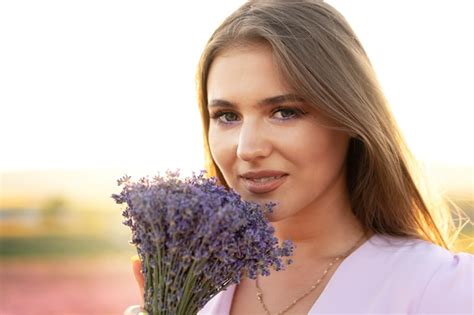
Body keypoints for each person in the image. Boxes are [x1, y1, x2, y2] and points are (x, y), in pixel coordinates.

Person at [125, 1, 473, 314]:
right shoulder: (193, 282)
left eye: (284, 111)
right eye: (228, 116)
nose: (248, 148)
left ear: (349, 116)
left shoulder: (439, 289)